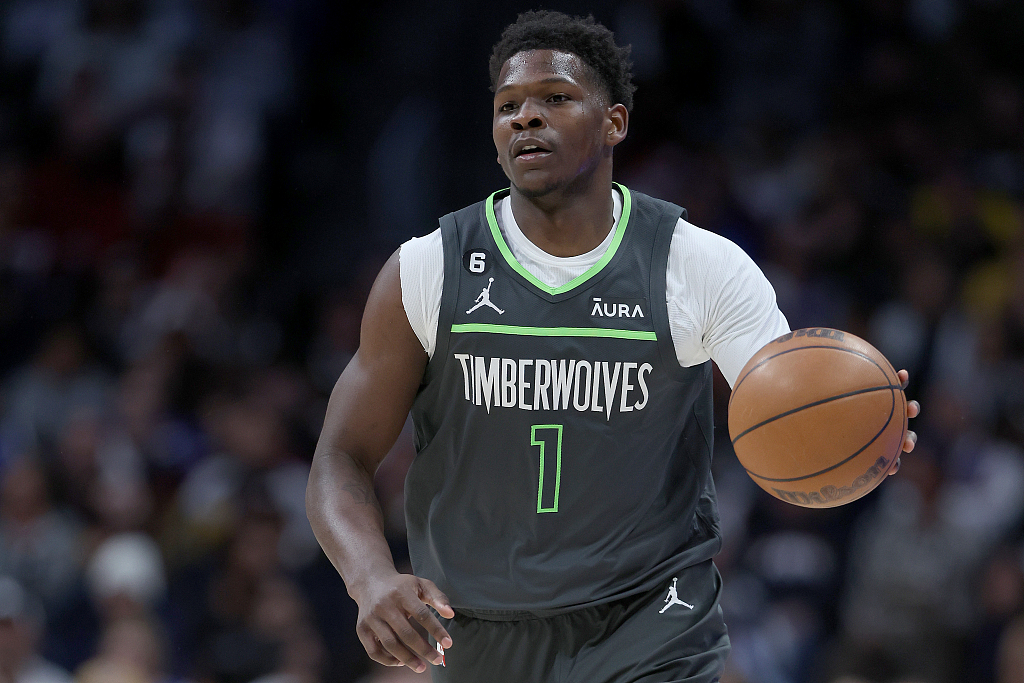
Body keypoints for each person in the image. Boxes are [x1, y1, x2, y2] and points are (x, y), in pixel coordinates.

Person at [305, 10, 920, 683]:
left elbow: (793, 407)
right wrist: (369, 577)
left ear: (614, 123)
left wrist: (853, 423)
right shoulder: (428, 270)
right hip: (485, 628)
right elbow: (340, 454)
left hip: (651, 625)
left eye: (556, 99)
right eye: (508, 105)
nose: (525, 118)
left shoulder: (700, 266)